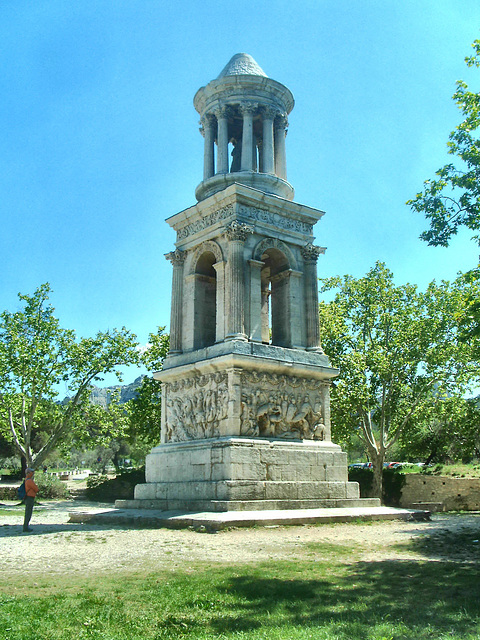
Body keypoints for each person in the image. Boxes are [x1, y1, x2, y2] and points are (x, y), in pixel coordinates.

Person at [23, 468, 39, 533]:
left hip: (28, 497)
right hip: (30, 498)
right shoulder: (29, 481)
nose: (33, 473)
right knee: (28, 513)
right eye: (32, 472)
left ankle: (26, 526)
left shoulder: (26, 480)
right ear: (29, 473)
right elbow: (36, 489)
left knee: (28, 512)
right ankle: (26, 527)